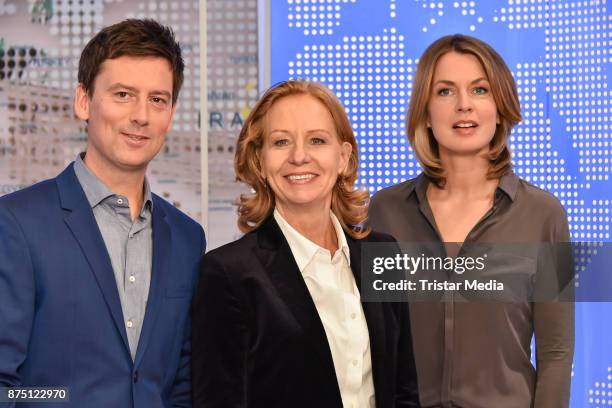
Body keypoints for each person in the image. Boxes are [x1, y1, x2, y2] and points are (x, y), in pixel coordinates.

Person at [0, 19, 205, 407]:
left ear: (172, 113)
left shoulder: (187, 237)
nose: (141, 115)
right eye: (123, 94)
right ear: (84, 101)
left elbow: (180, 384)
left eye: (157, 99)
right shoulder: (15, 224)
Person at [369, 34, 574, 408]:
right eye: (445, 92)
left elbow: (556, 352)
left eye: (480, 90)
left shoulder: (546, 214)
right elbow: (366, 341)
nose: (464, 105)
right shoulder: (383, 212)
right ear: (425, 113)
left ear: (500, 106)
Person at [191, 80, 420, 408]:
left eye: (317, 140)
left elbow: (404, 392)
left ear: (343, 158)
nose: (299, 157)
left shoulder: (382, 254)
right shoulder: (228, 274)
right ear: (260, 160)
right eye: (281, 141)